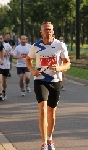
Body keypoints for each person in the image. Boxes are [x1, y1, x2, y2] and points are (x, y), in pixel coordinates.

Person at [26, 22, 70, 150]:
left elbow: (67, 63)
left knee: (52, 112)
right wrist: (33, 71)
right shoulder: (36, 46)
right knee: (43, 110)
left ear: (53, 31)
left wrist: (59, 67)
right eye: (45, 30)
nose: (48, 31)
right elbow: (28, 60)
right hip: (40, 80)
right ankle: (44, 143)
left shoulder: (60, 45)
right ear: (41, 32)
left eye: (50, 29)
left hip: (55, 80)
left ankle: (50, 138)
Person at [0, 35, 13, 101]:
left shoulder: (7, 45)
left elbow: (12, 53)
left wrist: (8, 52)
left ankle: (4, 90)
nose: (0, 40)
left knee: (5, 80)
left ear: (3, 39)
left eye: (1, 38)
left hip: (6, 65)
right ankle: (0, 93)